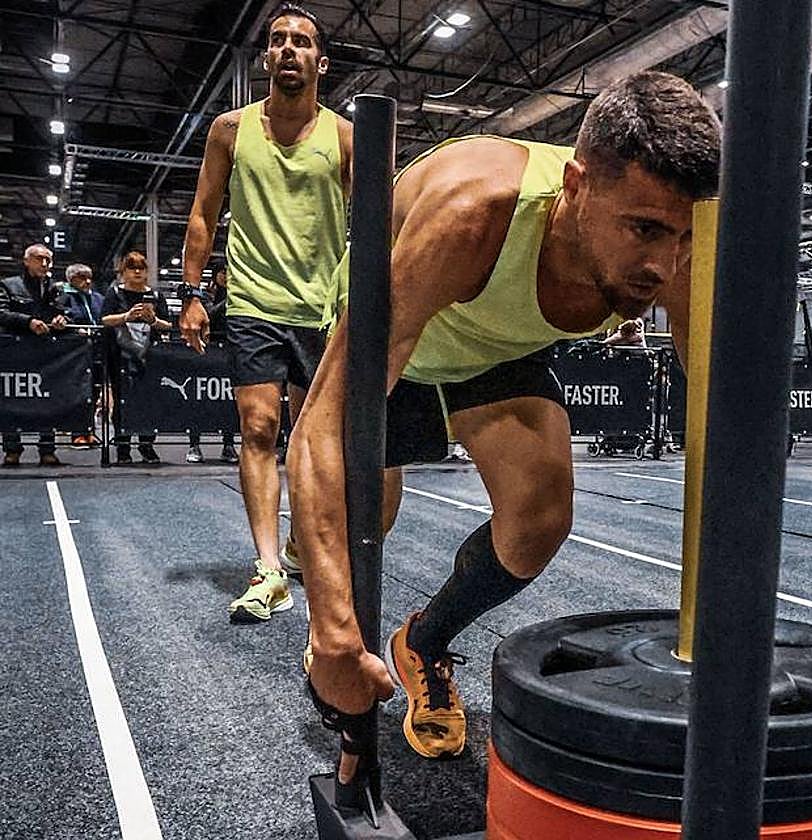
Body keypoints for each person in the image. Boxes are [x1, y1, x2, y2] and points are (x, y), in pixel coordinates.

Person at [291, 71, 718, 773]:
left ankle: (424, 642)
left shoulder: (678, 246)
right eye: (643, 230)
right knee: (368, 515)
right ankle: (333, 627)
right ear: (576, 188)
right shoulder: (473, 214)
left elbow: (716, 408)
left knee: (539, 518)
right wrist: (333, 627)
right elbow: (323, 423)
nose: (662, 264)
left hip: (498, 349)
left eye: (677, 237)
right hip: (404, 330)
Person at [178, 2, 352, 623]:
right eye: (277, 40)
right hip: (253, 300)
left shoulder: (345, 137)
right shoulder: (230, 129)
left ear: (319, 63)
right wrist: (193, 292)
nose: (287, 49)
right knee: (258, 429)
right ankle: (268, 569)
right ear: (265, 58)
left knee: (310, 441)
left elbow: (380, 224)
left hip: (322, 306)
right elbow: (203, 212)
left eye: (301, 42)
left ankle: (307, 545)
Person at [101, 250, 172, 465]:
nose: (138, 272)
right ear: (124, 272)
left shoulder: (156, 296)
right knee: (122, 403)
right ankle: (123, 447)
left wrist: (152, 320)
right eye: (133, 268)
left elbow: (168, 324)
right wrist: (126, 317)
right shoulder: (114, 293)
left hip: (150, 356)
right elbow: (104, 319)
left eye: (142, 268)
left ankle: (147, 445)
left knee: (150, 401)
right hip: (120, 356)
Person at [1, 243, 67, 466]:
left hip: (47, 353)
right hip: (14, 352)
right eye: (39, 259)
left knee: (46, 399)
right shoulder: (8, 285)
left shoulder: (56, 288)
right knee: (11, 399)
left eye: (48, 260)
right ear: (26, 260)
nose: (45, 264)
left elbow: (64, 314)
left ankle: (47, 449)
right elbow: (1, 313)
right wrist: (27, 322)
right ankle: (12, 449)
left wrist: (62, 321)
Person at [187, 268, 240, 464]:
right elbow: (209, 315)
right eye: (222, 272)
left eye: (228, 272)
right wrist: (230, 301)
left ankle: (228, 445)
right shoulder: (204, 297)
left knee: (228, 402)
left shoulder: (238, 295)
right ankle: (194, 445)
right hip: (205, 353)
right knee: (198, 400)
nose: (226, 276)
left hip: (230, 350)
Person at [58, 263, 105, 448]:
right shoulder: (63, 297)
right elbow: (62, 319)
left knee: (94, 391)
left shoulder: (99, 298)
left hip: (97, 352)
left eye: (89, 277)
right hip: (75, 354)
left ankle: (89, 430)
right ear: (71, 279)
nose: (87, 281)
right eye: (81, 277)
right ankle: (77, 432)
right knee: (77, 391)